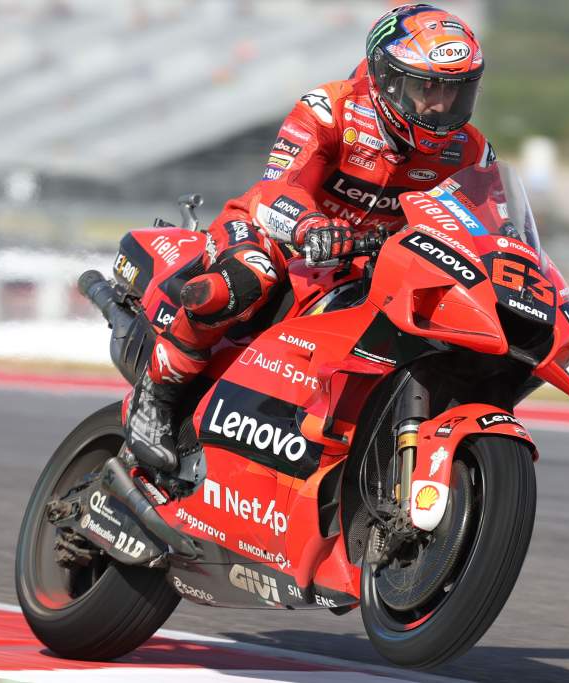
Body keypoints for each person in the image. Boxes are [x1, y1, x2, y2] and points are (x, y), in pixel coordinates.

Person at [126, 3, 499, 477]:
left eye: (457, 91)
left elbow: (490, 227)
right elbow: (280, 184)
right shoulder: (331, 109)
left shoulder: (470, 151)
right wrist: (309, 227)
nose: (442, 107)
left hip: (366, 267)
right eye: (428, 88)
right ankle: (157, 396)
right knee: (246, 280)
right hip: (276, 234)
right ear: (387, 78)